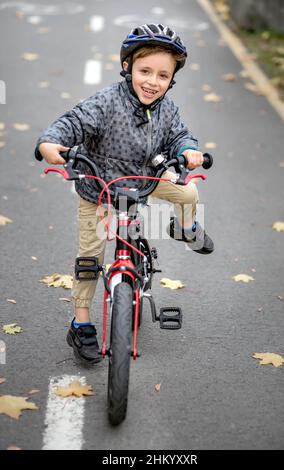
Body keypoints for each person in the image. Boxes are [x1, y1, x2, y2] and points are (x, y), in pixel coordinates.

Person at [34, 24, 214, 364]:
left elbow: (181, 136)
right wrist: (50, 143)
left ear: (172, 78)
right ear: (128, 66)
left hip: (143, 178)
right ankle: (82, 323)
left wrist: (189, 150)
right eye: (145, 71)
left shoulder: (167, 109)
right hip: (98, 188)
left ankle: (186, 228)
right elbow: (71, 122)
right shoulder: (105, 102)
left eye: (163, 75)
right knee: (90, 257)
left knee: (189, 194)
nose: (152, 81)